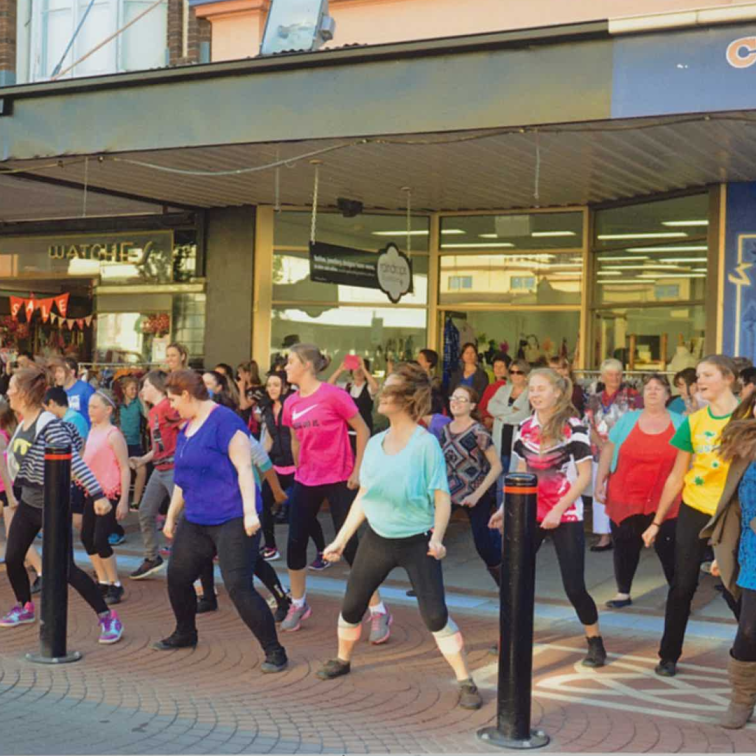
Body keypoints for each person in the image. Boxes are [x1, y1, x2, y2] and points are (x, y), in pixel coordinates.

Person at [316, 363, 483, 710]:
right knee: (351, 607)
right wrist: (341, 539)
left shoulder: (426, 446)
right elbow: (365, 496)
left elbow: (441, 498)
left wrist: (437, 538)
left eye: (388, 388)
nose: (379, 393)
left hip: (417, 542)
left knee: (435, 616)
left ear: (406, 399)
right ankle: (342, 659)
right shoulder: (375, 443)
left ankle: (465, 679)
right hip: (376, 539)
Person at [154, 370, 288, 674]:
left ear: (187, 395)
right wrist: (172, 515)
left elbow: (244, 469)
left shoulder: (226, 421)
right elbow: (182, 479)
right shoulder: (187, 428)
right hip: (198, 518)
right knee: (177, 576)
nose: (172, 407)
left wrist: (251, 514)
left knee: (238, 586)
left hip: (234, 517)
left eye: (174, 400)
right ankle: (186, 632)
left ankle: (275, 650)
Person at [491, 367, 606, 667]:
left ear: (557, 392)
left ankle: (595, 641)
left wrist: (558, 509)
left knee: (574, 586)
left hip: (565, 514)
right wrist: (506, 508)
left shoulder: (574, 427)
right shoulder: (525, 427)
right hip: (530, 512)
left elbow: (584, 477)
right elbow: (519, 473)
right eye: (532, 389)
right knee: (515, 577)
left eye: (541, 388)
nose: (535, 394)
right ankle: (510, 636)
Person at [0, 366, 123, 643]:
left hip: (53, 507)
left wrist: (98, 495)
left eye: (11, 387)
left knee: (65, 569)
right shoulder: (23, 422)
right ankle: (25, 606)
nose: (7, 391)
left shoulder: (49, 425)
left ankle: (108, 618)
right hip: (29, 504)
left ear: (25, 393)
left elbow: (75, 461)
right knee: (13, 558)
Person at [281, 343, 389, 639]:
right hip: (307, 478)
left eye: (290, 361)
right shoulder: (290, 403)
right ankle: (298, 603)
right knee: (295, 542)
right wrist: (298, 468)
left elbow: (363, 430)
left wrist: (358, 470)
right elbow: (294, 440)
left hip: (340, 477)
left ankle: (378, 610)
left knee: (352, 546)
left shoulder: (334, 395)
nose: (286, 366)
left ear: (307, 365)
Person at [642, 355, 741, 678]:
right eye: (698, 375)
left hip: (733, 513)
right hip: (694, 508)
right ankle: (668, 655)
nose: (700, 381)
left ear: (728, 378)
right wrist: (657, 521)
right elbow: (676, 475)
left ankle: (748, 655)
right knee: (682, 585)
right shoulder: (695, 422)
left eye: (707, 374)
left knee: (734, 587)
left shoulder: (748, 419)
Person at [594, 375, 683, 608]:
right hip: (625, 494)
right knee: (624, 543)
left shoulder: (681, 422)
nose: (652, 392)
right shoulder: (627, 420)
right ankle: (623, 592)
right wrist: (600, 480)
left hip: (667, 498)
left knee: (669, 546)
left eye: (658, 388)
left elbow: (688, 461)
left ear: (667, 395)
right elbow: (608, 449)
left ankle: (678, 597)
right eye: (648, 388)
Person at [702, 392, 756, 728]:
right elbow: (732, 504)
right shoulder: (745, 443)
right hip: (752, 549)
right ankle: (743, 696)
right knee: (749, 628)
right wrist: (724, 550)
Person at [259, 370, 327, 567]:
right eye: (269, 384)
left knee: (305, 512)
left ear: (285, 387)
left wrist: (302, 466)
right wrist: (258, 463)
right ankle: (271, 547)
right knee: (263, 504)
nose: (271, 388)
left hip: (298, 468)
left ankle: (322, 552)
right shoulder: (267, 409)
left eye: (276, 385)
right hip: (277, 468)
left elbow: (300, 438)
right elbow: (269, 440)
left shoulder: (293, 407)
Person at [442, 386, 502, 586]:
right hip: (449, 492)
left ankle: (506, 584)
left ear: (472, 406)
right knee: (432, 536)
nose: (456, 402)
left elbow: (496, 467)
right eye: (454, 397)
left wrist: (477, 495)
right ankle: (425, 584)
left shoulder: (479, 432)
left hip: (476, 492)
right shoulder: (444, 430)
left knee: (483, 544)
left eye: (462, 399)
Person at [584, 358, 643, 551]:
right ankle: (603, 536)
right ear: (602, 377)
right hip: (598, 451)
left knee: (625, 493)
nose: (614, 377)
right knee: (600, 492)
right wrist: (601, 444)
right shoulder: (594, 398)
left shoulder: (633, 396)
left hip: (626, 451)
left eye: (618, 374)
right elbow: (588, 424)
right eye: (610, 374)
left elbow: (640, 421)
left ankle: (626, 534)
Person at [129, 371, 179, 580]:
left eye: (146, 386)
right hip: (160, 468)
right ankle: (152, 556)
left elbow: (185, 428)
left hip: (174, 467)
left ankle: (183, 561)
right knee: (146, 511)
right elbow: (160, 445)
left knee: (179, 518)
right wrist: (143, 460)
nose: (142, 391)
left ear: (158, 387)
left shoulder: (169, 406)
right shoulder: (154, 412)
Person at [81, 390, 130, 604]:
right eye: (89, 406)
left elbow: (125, 467)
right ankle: (102, 580)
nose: (89, 410)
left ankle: (115, 584)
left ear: (108, 410)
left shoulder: (113, 434)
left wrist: (124, 500)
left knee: (100, 539)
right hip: (92, 492)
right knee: (86, 537)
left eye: (94, 407)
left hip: (110, 493)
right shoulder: (92, 431)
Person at [487, 358, 531, 483]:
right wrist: (512, 410)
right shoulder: (503, 389)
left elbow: (523, 416)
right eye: (512, 372)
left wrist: (501, 416)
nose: (515, 375)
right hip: (500, 439)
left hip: (517, 440)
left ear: (526, 374)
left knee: (514, 477)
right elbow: (491, 407)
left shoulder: (530, 392)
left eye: (519, 372)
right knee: (499, 475)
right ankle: (500, 502)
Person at [328, 356, 379, 438]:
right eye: (356, 369)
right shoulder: (346, 386)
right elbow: (329, 386)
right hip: (347, 431)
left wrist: (364, 368)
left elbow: (376, 387)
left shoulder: (369, 388)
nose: (358, 372)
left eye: (361, 370)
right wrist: (340, 370)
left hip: (364, 431)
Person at [118, 376, 147, 508]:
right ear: (124, 390)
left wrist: (142, 400)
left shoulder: (138, 403)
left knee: (141, 470)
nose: (134, 391)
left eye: (136, 388)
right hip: (120, 444)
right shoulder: (117, 405)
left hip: (134, 443)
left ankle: (135, 502)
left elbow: (148, 415)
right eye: (132, 389)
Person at [53, 357, 96, 431]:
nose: (56, 375)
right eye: (56, 372)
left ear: (72, 373)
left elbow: (96, 415)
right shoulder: (57, 392)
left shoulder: (86, 389)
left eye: (60, 372)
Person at [478, 353, 509, 431]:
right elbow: (481, 407)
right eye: (496, 366)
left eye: (501, 367)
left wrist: (494, 421)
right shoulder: (490, 387)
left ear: (508, 369)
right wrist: (486, 417)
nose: (498, 369)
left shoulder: (512, 387)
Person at [417, 348, 447, 415]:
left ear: (428, 363)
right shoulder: (415, 377)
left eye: (421, 359)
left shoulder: (435, 380)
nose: (418, 361)